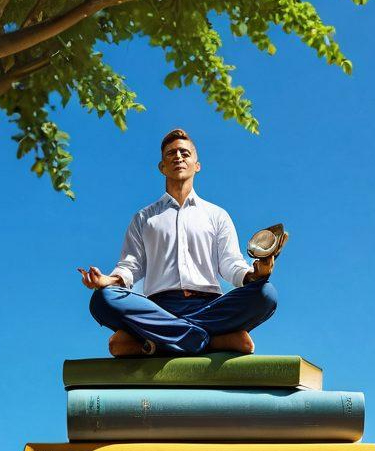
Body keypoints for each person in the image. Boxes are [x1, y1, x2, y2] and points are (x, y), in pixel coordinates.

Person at [78, 128, 279, 356]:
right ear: (162, 167)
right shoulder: (144, 218)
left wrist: (255, 275)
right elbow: (130, 266)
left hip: (210, 308)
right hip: (156, 310)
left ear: (197, 165)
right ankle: (203, 339)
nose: (178, 157)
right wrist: (106, 280)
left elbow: (230, 263)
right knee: (103, 298)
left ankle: (165, 340)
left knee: (266, 293)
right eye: (171, 153)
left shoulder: (217, 215)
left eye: (185, 153)